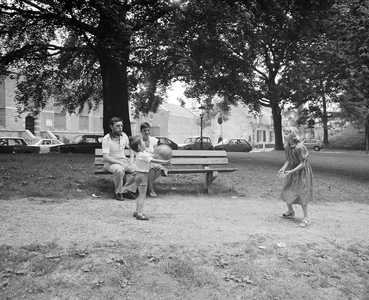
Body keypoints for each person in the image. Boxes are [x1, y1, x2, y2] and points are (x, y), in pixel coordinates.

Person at [129, 135, 171, 220]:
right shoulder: (142, 155)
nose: (145, 143)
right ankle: (140, 214)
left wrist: (158, 153)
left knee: (140, 195)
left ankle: (136, 211)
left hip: (139, 175)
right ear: (139, 146)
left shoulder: (142, 153)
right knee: (142, 196)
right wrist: (166, 161)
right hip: (142, 176)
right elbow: (154, 160)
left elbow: (152, 155)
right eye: (142, 142)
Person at [277, 131, 313, 227]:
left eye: (287, 133)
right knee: (286, 190)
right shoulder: (288, 146)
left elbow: (303, 164)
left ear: (292, 136)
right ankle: (290, 212)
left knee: (301, 193)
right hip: (292, 170)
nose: (285, 134)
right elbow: (289, 160)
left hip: (302, 172)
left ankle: (306, 218)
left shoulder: (299, 147)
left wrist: (292, 171)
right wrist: (283, 168)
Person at [102, 117, 137, 201]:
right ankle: (118, 192)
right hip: (111, 162)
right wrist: (121, 164)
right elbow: (106, 157)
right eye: (117, 126)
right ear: (111, 127)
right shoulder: (106, 139)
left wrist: (131, 159)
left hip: (123, 160)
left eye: (121, 125)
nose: (120, 128)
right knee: (119, 170)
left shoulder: (124, 135)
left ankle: (127, 190)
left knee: (139, 169)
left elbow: (131, 147)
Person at [139, 122, 169, 197]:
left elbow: (156, 154)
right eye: (144, 130)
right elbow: (140, 155)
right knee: (152, 168)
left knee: (159, 168)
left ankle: (147, 185)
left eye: (148, 130)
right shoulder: (139, 141)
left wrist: (156, 162)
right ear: (141, 131)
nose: (147, 132)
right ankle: (150, 189)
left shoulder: (154, 140)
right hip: (142, 161)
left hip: (152, 160)